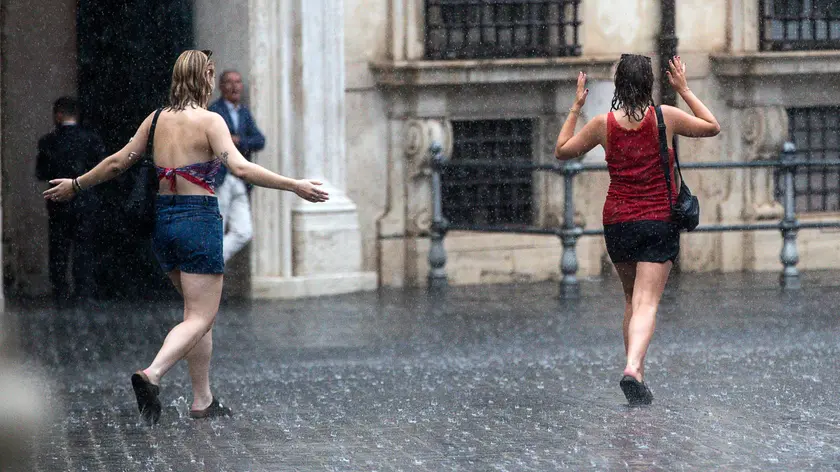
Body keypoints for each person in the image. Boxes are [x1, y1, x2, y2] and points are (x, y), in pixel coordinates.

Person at [43, 50, 329, 424]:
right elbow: (241, 168)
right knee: (200, 316)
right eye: (211, 73)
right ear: (205, 76)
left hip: (165, 223)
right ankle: (153, 374)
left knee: (196, 314)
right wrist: (294, 185)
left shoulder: (156, 119)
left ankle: (202, 400)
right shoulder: (210, 121)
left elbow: (116, 162)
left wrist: (76, 184)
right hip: (198, 221)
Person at [553, 55, 720, 405]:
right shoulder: (664, 117)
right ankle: (632, 367)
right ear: (650, 84)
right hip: (657, 221)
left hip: (618, 223)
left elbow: (562, 151)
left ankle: (638, 375)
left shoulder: (602, 125)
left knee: (631, 299)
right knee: (647, 302)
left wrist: (576, 107)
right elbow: (711, 126)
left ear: (618, 85)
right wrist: (684, 89)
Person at [35, 96, 106, 308]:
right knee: (84, 249)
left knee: (58, 249)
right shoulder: (91, 139)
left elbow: (41, 173)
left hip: (58, 202)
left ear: (58, 115)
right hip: (86, 201)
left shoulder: (48, 142)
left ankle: (60, 292)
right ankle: (83, 292)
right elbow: (101, 170)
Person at [209, 70, 262, 262]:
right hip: (220, 179)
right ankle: (208, 268)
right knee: (217, 230)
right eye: (229, 82)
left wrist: (238, 141)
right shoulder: (214, 111)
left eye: (238, 82)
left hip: (240, 178)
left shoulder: (244, 113)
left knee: (243, 232)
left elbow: (259, 140)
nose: (234, 86)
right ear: (221, 86)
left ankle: (212, 262)